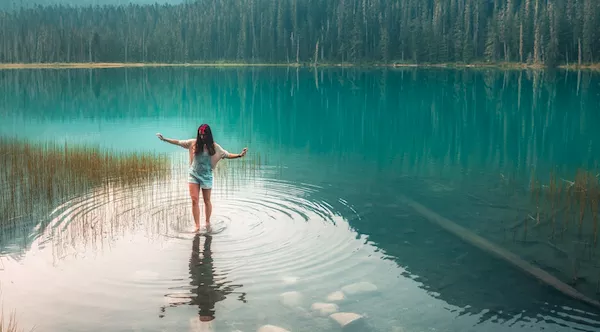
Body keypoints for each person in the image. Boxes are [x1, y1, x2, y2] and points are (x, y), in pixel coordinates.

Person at [156, 124, 247, 232]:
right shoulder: (193, 143)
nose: (202, 137)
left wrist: (239, 155)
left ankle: (207, 222)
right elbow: (178, 142)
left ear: (208, 135)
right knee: (194, 200)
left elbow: (227, 154)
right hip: (193, 175)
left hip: (206, 177)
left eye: (204, 135)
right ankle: (197, 226)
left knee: (206, 200)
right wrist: (164, 139)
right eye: (200, 135)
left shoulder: (215, 147)